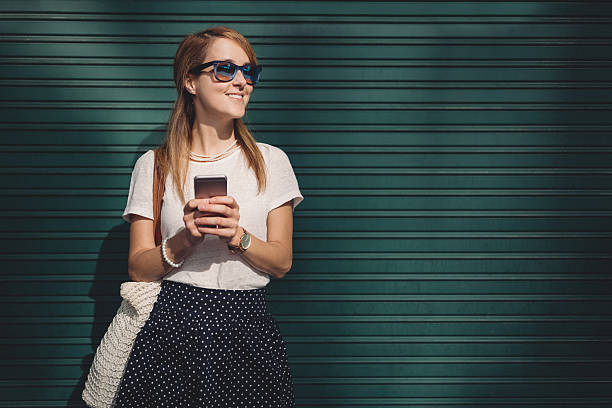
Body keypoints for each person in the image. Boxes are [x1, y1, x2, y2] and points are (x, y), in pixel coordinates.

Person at [113, 26, 303, 407]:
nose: (241, 82)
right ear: (190, 81)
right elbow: (138, 268)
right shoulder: (154, 165)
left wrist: (239, 237)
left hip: (246, 329)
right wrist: (186, 239)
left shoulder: (271, 161)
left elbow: (282, 262)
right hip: (170, 329)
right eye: (224, 70)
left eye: (249, 72)